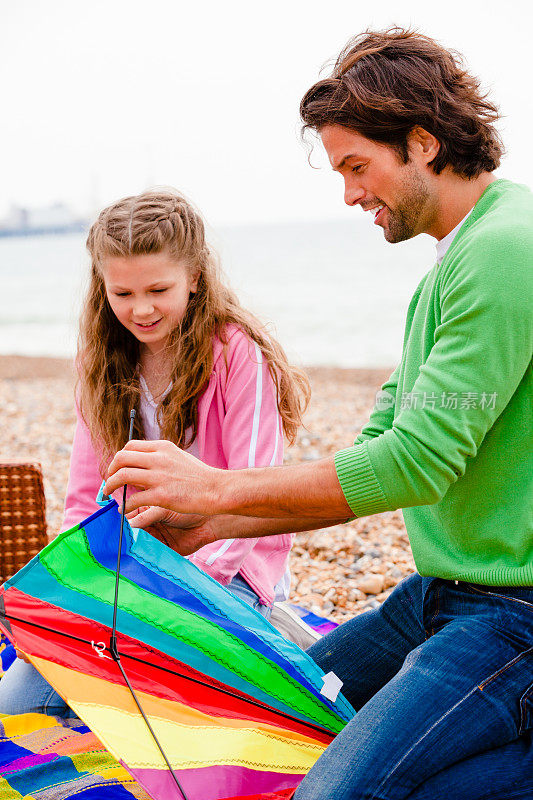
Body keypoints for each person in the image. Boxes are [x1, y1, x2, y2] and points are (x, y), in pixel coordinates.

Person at [105, 29, 533, 799]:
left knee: (334, 793)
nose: (348, 194)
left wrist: (215, 492)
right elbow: (381, 442)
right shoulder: (454, 261)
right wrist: (212, 523)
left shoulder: (506, 250)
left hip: (514, 616)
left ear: (422, 142)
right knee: (261, 730)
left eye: (356, 167)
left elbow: (414, 464)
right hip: (441, 593)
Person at [0, 188, 312, 716]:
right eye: (122, 293)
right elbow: (84, 499)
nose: (141, 309)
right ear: (103, 288)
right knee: (20, 705)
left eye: (158, 289)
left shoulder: (239, 355)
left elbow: (256, 497)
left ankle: (276, 632)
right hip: (131, 573)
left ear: (194, 278)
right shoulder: (100, 362)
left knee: (170, 697)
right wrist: (79, 583)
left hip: (227, 572)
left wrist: (175, 594)